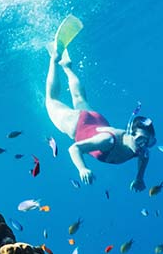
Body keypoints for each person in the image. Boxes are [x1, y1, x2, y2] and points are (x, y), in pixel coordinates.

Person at [45, 42, 156, 191]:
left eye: (148, 142)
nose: (143, 146)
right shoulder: (107, 141)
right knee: (52, 100)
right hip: (78, 125)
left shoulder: (141, 150)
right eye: (141, 140)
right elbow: (74, 149)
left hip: (97, 121)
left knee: (80, 99)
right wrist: (82, 168)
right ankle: (54, 59)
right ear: (130, 132)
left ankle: (67, 67)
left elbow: (144, 158)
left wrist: (139, 178)